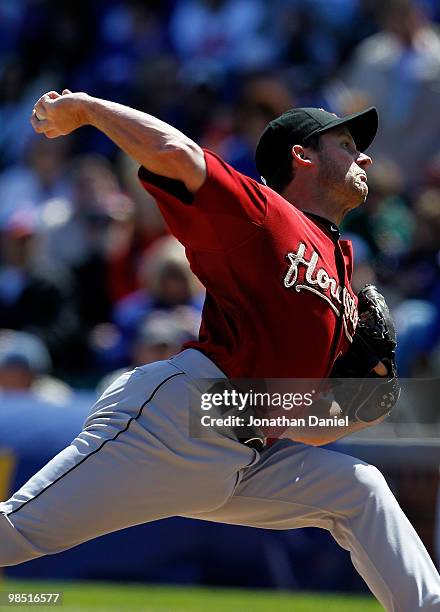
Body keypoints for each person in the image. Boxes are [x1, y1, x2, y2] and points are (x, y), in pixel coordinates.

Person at [0, 89, 438, 610]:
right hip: (182, 416)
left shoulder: (341, 263)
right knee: (15, 534)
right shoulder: (263, 213)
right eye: (346, 143)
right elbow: (177, 155)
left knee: (359, 490)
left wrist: (368, 397)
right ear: (303, 156)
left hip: (246, 440)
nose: (364, 156)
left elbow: (306, 424)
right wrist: (90, 110)